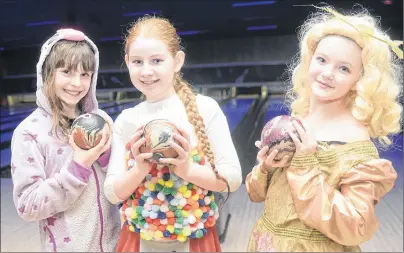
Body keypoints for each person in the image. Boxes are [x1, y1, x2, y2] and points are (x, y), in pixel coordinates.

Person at [246, 6, 402, 252]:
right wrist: (265, 168)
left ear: (359, 80)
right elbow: (257, 195)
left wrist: (305, 166)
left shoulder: (355, 141)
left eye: (344, 68)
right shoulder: (298, 121)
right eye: (322, 60)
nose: (327, 73)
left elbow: (355, 227)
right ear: (309, 62)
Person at [104, 16, 242, 252]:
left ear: (177, 61)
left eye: (157, 60)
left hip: (196, 239)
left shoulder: (205, 109)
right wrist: (139, 170)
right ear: (127, 62)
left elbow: (232, 180)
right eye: (137, 61)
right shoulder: (127, 120)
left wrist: (187, 169)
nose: (146, 71)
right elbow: (112, 194)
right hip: (138, 241)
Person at [10, 28, 121, 252]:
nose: (77, 83)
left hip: (115, 244)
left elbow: (120, 182)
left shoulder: (103, 120)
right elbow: (28, 205)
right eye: (67, 72)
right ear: (47, 73)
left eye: (85, 74)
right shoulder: (30, 133)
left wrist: (109, 157)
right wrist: (77, 168)